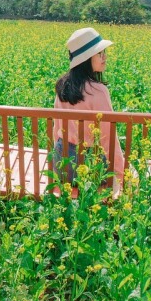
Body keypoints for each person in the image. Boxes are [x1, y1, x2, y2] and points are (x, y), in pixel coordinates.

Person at [53, 27, 124, 194]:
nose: (104, 57)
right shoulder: (98, 91)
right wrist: (120, 175)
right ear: (86, 59)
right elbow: (109, 137)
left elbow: (57, 129)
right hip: (87, 166)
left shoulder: (62, 85)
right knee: (133, 170)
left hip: (63, 164)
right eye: (99, 53)